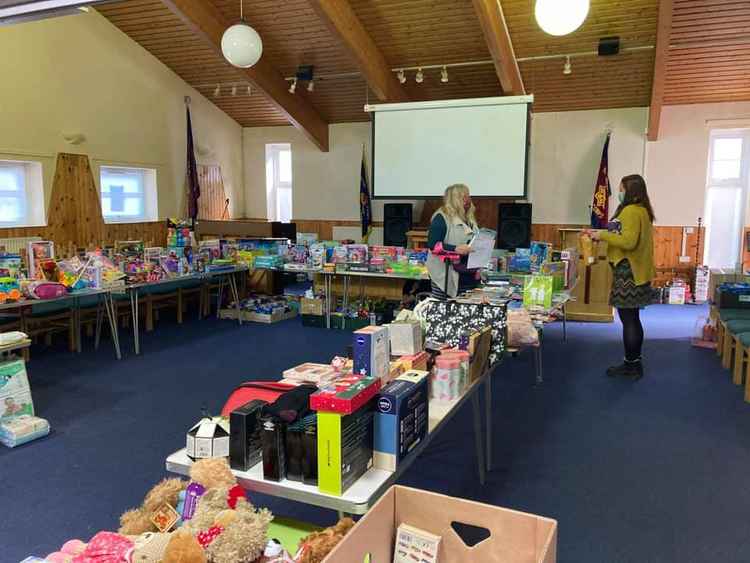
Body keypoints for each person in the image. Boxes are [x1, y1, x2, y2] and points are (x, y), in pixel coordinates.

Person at [588, 174, 656, 380]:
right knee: (632, 319)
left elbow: (628, 242)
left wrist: (601, 235)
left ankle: (631, 366)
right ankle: (634, 362)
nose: (619, 192)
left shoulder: (631, 211)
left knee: (629, 320)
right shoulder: (642, 211)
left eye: (621, 188)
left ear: (631, 191)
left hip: (629, 272)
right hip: (636, 271)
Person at [426, 184, 480, 299]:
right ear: (454, 199)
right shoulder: (441, 218)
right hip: (446, 277)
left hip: (468, 275)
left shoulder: (469, 218)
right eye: (464, 196)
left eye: (468, 196)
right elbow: (433, 245)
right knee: (444, 310)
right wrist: (456, 249)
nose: (468, 200)